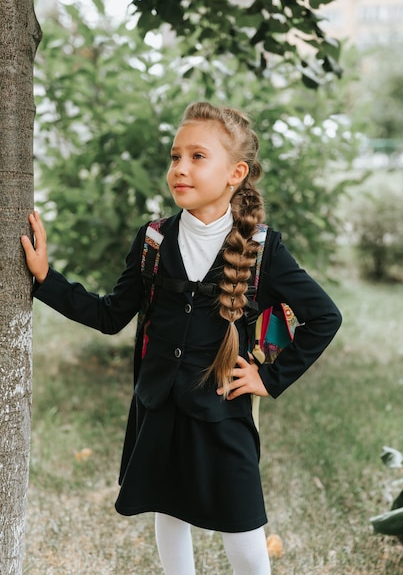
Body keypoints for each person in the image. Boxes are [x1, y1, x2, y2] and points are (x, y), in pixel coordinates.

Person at [22, 101, 342, 575]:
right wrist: (46, 280)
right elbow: (112, 315)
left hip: (221, 413)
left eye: (197, 157)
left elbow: (324, 317)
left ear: (235, 173)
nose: (180, 168)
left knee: (245, 532)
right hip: (158, 405)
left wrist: (270, 379)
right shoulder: (153, 239)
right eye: (175, 157)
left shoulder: (261, 248)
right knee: (167, 511)